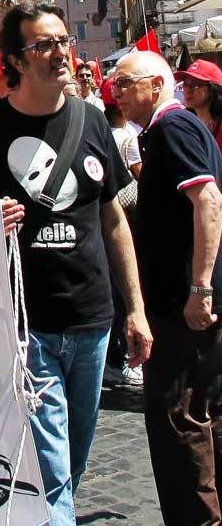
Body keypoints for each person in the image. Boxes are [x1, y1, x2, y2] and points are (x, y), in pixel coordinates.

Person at [0, 1, 151, 526]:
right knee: (51, 461)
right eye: (43, 45)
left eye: (62, 41)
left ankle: (52, 513)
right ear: (15, 60)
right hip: (24, 325)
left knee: (75, 453)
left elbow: (113, 221)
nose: (59, 52)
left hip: (92, 318)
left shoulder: (93, 122)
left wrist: (136, 309)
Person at [114, 49, 222, 525]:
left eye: (123, 84)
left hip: (183, 306)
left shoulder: (172, 128)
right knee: (200, 414)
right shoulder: (168, 130)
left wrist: (200, 288)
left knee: (181, 421)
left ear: (154, 87)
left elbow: (208, 200)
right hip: (183, 303)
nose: (114, 92)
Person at [99, 76, 144, 389]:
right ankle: (121, 359)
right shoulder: (129, 138)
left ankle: (116, 359)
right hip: (123, 218)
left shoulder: (108, 132)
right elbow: (137, 179)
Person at [174, 58, 222, 155]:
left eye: (195, 85)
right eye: (185, 84)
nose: (187, 90)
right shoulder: (186, 124)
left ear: (212, 89)